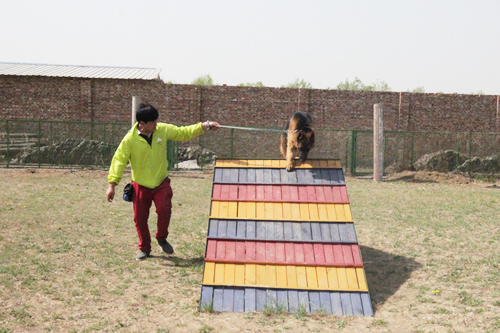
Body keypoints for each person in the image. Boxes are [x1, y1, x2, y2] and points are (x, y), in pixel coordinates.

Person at [106, 103, 220, 260]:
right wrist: (112, 185)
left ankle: (161, 237)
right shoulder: (129, 140)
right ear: (142, 124)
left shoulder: (163, 130)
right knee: (140, 219)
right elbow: (119, 160)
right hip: (140, 185)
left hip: (161, 183)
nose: (156, 124)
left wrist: (205, 125)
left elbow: (183, 132)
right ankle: (145, 248)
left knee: (165, 209)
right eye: (152, 122)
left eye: (156, 121)